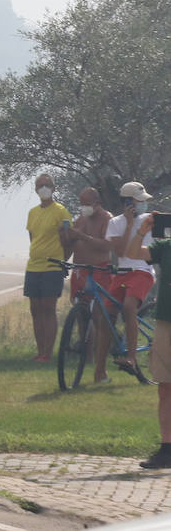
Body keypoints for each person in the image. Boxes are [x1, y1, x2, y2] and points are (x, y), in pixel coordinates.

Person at [121, 209, 170, 468]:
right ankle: (167, 449)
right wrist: (143, 229)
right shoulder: (165, 246)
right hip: (166, 321)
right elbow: (132, 253)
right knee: (165, 387)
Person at [103, 181, 156, 377]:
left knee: (128, 307)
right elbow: (120, 251)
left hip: (142, 271)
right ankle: (100, 368)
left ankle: (131, 358)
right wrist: (129, 224)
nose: (142, 204)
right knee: (107, 314)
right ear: (127, 203)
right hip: (123, 272)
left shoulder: (150, 220)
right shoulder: (115, 223)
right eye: (138, 201)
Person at [65, 186, 113, 382]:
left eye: (86, 203)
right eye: (81, 203)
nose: (83, 207)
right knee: (80, 313)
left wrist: (83, 237)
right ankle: (86, 355)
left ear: (96, 203)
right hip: (80, 270)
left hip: (100, 270)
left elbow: (106, 245)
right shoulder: (82, 218)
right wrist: (66, 234)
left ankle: (99, 362)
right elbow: (71, 240)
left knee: (98, 316)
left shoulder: (107, 218)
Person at [24, 173, 71, 362]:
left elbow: (69, 239)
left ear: (53, 188)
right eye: (40, 185)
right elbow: (33, 239)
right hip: (33, 266)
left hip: (52, 267)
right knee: (35, 309)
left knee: (48, 308)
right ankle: (40, 349)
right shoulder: (32, 212)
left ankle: (47, 353)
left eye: (47, 185)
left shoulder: (61, 211)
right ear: (36, 190)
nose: (43, 188)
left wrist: (63, 260)